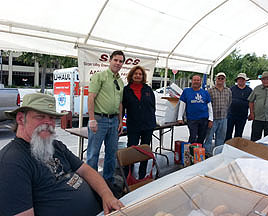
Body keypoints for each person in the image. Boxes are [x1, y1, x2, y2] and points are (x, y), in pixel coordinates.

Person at [0, 93, 124, 216]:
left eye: (52, 118)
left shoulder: (55, 145)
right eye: (40, 116)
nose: (48, 123)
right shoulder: (12, 162)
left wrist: (107, 195)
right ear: (21, 119)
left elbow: (86, 170)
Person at [87, 50, 125, 183]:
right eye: (116, 60)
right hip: (99, 120)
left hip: (114, 121)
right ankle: (92, 183)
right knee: (93, 154)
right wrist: (92, 119)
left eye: (121, 61)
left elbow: (120, 103)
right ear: (110, 60)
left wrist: (120, 122)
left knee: (111, 154)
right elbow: (91, 97)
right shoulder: (100, 76)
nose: (118, 63)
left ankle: (108, 180)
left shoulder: (120, 82)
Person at [122, 65, 156, 179]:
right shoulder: (126, 90)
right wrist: (120, 123)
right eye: (136, 74)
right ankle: (128, 175)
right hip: (133, 125)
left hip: (148, 125)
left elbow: (153, 106)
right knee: (131, 149)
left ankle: (142, 175)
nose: (138, 76)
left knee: (145, 150)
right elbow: (122, 108)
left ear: (143, 76)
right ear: (131, 75)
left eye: (140, 74)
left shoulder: (148, 89)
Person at [177, 75, 213, 144]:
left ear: (200, 82)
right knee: (193, 137)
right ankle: (190, 153)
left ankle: (199, 153)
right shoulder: (186, 91)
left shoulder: (205, 92)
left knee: (201, 137)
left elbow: (210, 107)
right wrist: (179, 117)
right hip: (192, 119)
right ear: (192, 81)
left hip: (204, 119)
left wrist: (211, 119)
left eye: (198, 80)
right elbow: (182, 105)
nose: (196, 82)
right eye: (194, 80)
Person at [204, 72, 232, 155]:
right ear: (215, 79)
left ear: (224, 80)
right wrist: (209, 119)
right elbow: (207, 105)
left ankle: (218, 154)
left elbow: (229, 102)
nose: (220, 80)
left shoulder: (228, 91)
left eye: (222, 78)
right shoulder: (210, 91)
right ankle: (207, 153)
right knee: (209, 137)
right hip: (213, 119)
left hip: (223, 118)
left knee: (221, 138)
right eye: (219, 78)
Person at [225, 73, 252, 141]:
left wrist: (251, 113)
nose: (241, 81)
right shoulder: (232, 89)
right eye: (239, 79)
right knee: (228, 132)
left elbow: (252, 102)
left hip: (242, 115)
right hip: (231, 114)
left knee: (239, 133)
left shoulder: (249, 90)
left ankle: (236, 147)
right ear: (237, 80)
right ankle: (227, 146)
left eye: (242, 79)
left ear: (245, 80)